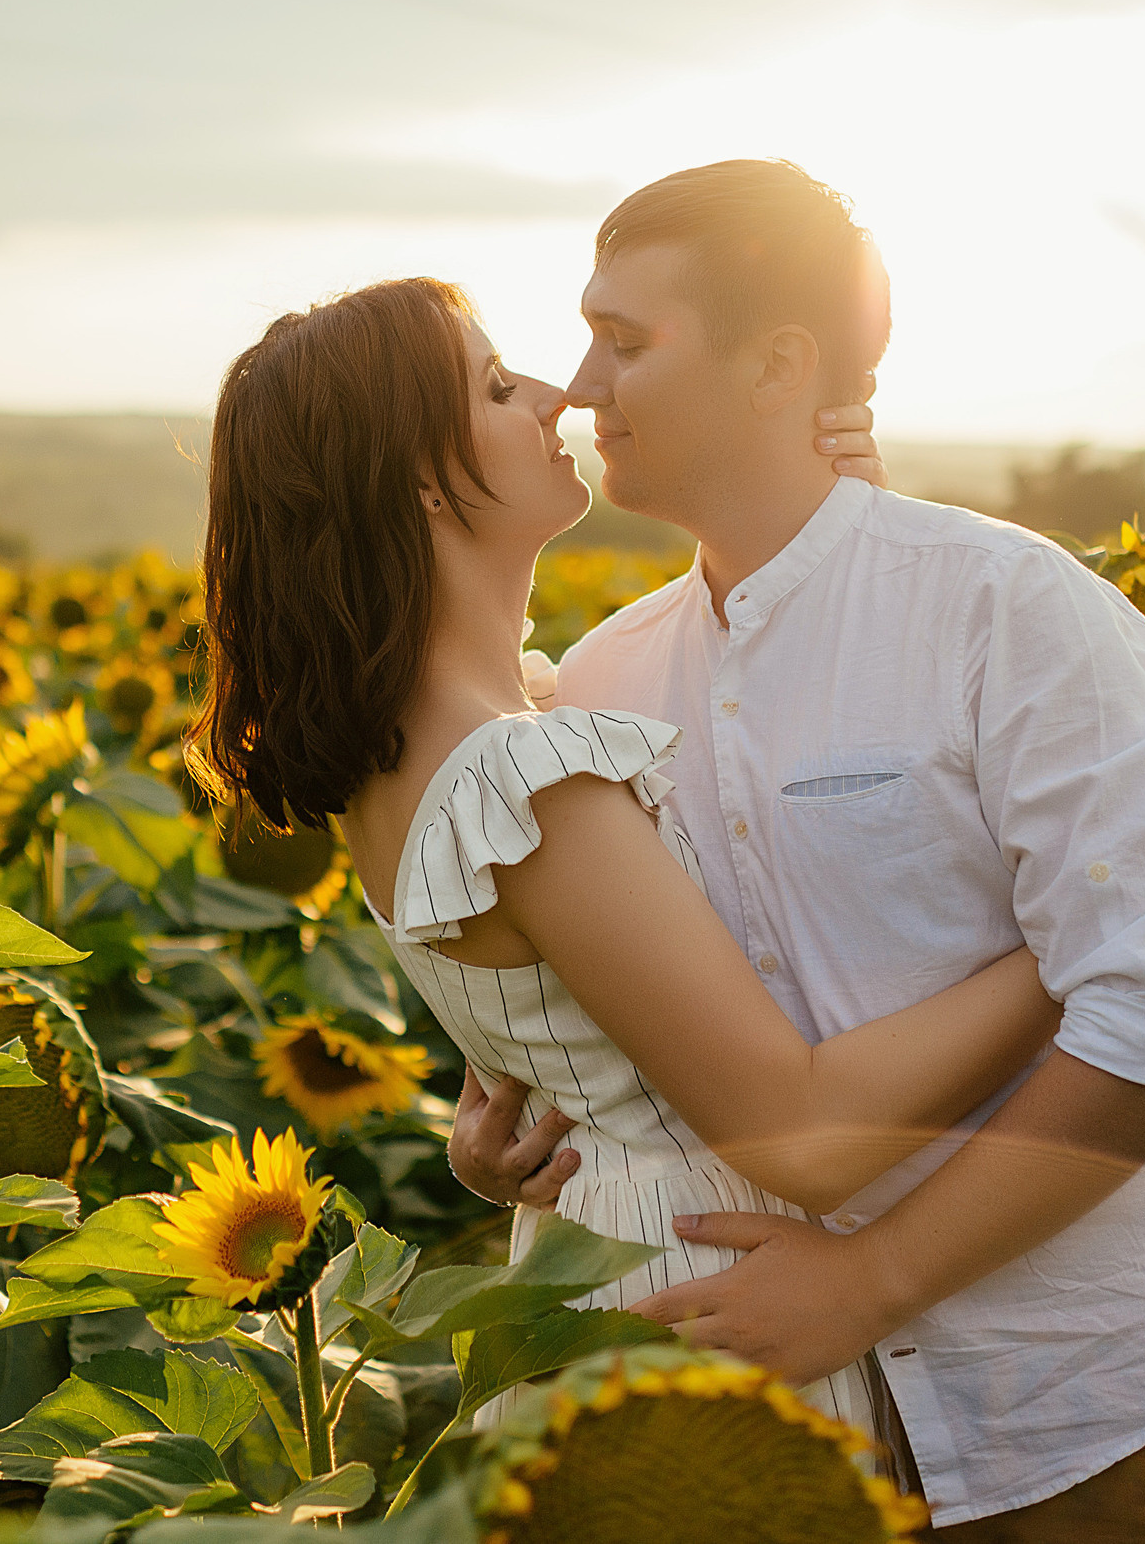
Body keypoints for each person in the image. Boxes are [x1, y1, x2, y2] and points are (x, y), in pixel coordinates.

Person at [457, 160, 1145, 1541]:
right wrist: (514, 1130)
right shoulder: (604, 679)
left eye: (626, 340)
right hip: (802, 1427)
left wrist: (870, 1278)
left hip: (1087, 1394)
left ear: (778, 364)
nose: (580, 384)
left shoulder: (1007, 608)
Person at [186, 273, 1067, 1455]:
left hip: (599, 1269)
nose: (552, 393)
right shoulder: (526, 782)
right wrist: (1067, 944)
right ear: (419, 479)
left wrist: (834, 537)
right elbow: (799, 1136)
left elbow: (555, 1036)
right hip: (691, 1299)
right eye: (493, 386)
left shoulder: (424, 749)